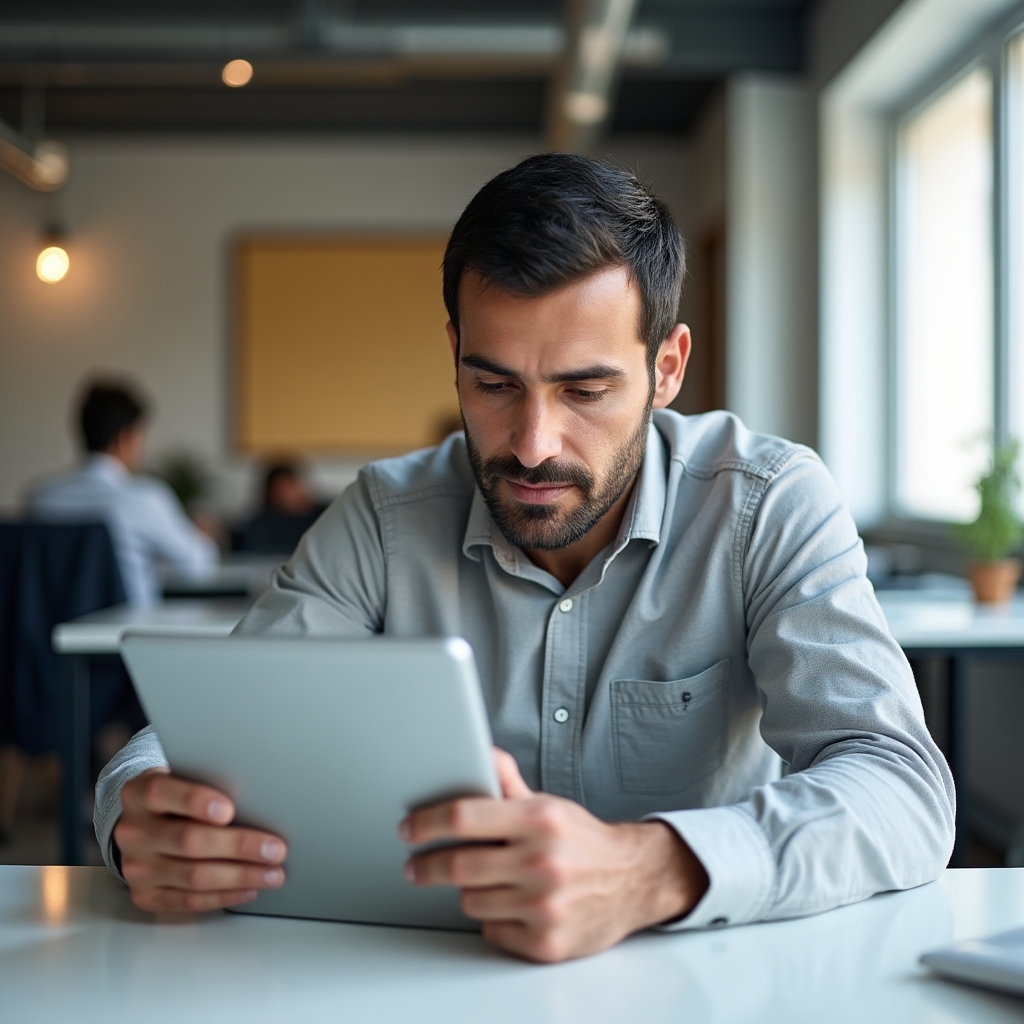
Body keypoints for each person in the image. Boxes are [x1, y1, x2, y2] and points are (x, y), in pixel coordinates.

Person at [96, 155, 954, 963]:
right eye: (495, 385)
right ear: (454, 356)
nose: (533, 447)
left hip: (709, 982)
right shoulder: (384, 517)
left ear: (667, 368)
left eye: (585, 390)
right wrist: (142, 814)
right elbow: (203, 733)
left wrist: (648, 868)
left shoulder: (768, 502)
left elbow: (901, 785)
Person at [27, 380, 218, 607]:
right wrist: (203, 535)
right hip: (127, 634)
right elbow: (200, 566)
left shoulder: (39, 499)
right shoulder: (144, 498)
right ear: (125, 437)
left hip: (52, 637)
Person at [234, 462, 326, 555]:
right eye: (281, 490)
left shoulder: (323, 515)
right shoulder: (260, 526)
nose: (288, 494)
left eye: (291, 485)